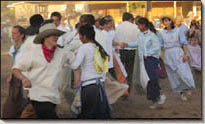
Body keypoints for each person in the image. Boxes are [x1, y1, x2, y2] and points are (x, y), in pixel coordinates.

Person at [12, 22, 75, 118]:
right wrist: (24, 79)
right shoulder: (33, 53)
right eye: (52, 35)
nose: (56, 37)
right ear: (44, 37)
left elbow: (75, 62)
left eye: (56, 35)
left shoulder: (62, 52)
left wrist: (78, 79)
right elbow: (16, 69)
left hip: (53, 96)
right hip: (38, 95)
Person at [121, 17, 166, 109]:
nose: (138, 27)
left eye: (139, 25)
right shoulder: (141, 35)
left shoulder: (152, 36)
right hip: (143, 60)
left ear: (144, 25)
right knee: (146, 80)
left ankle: (156, 98)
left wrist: (148, 54)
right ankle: (156, 98)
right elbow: (138, 43)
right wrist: (127, 44)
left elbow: (156, 48)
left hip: (151, 60)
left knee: (151, 79)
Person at [69, 24, 111, 118]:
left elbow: (75, 65)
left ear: (84, 36)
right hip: (99, 85)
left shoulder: (84, 48)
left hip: (89, 86)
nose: (79, 38)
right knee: (99, 113)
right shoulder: (98, 47)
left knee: (87, 113)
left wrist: (70, 59)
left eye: (79, 36)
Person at [158, 15, 195, 101]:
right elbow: (160, 46)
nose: (166, 22)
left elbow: (184, 43)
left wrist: (186, 54)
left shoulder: (178, 31)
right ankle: (182, 93)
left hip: (178, 53)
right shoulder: (161, 33)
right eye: (165, 21)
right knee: (174, 76)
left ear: (171, 21)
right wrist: (162, 57)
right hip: (168, 55)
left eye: (168, 20)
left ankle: (188, 87)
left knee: (184, 72)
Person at [2, 25, 27, 118]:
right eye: (12, 33)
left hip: (24, 77)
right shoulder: (12, 48)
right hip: (15, 78)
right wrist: (10, 75)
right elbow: (13, 63)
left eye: (15, 33)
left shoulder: (25, 48)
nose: (12, 35)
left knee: (23, 100)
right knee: (13, 101)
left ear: (22, 35)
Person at [114, 12, 140, 93]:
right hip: (132, 51)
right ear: (131, 19)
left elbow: (115, 40)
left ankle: (121, 89)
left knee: (121, 71)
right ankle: (128, 89)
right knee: (130, 71)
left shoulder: (118, 27)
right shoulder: (135, 27)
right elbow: (139, 40)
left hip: (121, 51)